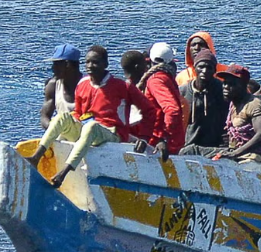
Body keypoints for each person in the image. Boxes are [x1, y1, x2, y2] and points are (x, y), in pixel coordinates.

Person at [29, 46, 157, 187]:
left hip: (113, 133)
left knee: (91, 126)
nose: (90, 66)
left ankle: (64, 173)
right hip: (87, 130)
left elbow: (150, 111)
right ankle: (35, 158)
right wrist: (69, 125)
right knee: (62, 117)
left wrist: (144, 138)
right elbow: (79, 113)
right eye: (87, 62)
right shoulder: (83, 84)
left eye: (95, 62)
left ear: (105, 64)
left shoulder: (122, 86)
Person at [131, 42, 186, 159]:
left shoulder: (156, 81)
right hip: (170, 141)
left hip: (159, 145)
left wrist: (163, 138)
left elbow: (172, 110)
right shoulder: (167, 77)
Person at [217, 68, 261, 163]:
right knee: (195, 151)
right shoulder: (234, 103)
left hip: (256, 154)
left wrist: (234, 154)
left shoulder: (254, 105)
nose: (226, 87)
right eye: (225, 83)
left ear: (244, 85)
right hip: (236, 150)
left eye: (232, 84)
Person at [180, 49, 227, 154]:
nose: (205, 71)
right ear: (194, 68)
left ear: (214, 70)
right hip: (188, 146)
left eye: (209, 67)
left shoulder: (221, 91)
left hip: (215, 147)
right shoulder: (183, 92)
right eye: (201, 67)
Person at [41, 44, 84, 127]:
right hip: (63, 132)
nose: (53, 68)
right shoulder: (53, 85)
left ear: (67, 64)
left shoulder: (89, 84)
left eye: (56, 64)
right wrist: (54, 129)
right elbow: (45, 116)